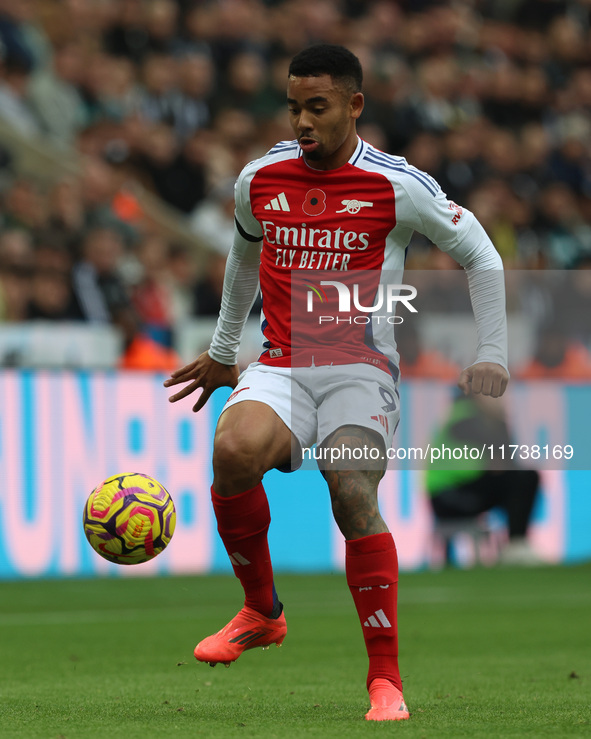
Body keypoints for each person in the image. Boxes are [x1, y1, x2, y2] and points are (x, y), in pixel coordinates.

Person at [164, 45, 509, 722]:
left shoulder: (396, 184)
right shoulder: (259, 177)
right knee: (232, 451)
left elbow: (481, 253)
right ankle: (261, 611)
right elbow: (242, 253)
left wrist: (491, 349)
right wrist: (223, 350)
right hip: (283, 361)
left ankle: (385, 681)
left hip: (360, 367)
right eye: (292, 106)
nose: (301, 121)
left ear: (353, 105)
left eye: (315, 107)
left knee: (349, 484)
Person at [426, 392, 542, 566]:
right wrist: (498, 418)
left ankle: (517, 543)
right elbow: (491, 441)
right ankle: (515, 544)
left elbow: (507, 461)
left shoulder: (488, 421)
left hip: (469, 488)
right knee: (522, 479)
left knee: (524, 479)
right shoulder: (463, 414)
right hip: (447, 494)